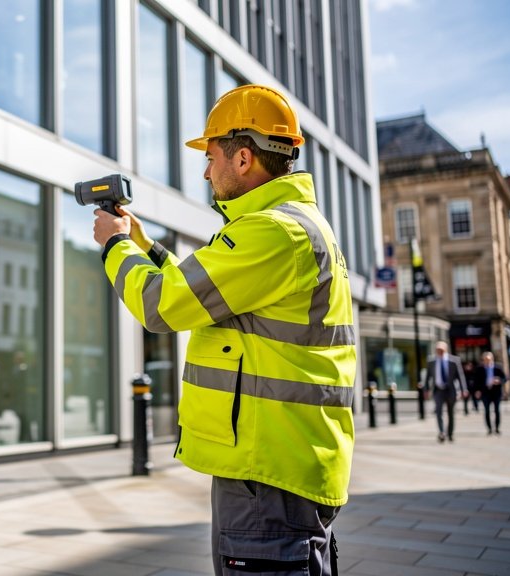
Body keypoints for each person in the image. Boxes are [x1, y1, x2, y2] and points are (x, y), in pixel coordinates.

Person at [92, 84, 354, 575]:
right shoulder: (289, 226)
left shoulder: (273, 231)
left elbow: (161, 304)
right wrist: (145, 248)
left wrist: (115, 247)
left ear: (243, 159)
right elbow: (211, 299)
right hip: (280, 465)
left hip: (269, 474)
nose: (206, 170)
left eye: (211, 156)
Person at [424, 341, 468, 443]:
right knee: (438, 412)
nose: (439, 352)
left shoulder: (454, 361)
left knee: (450, 413)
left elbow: (460, 376)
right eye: (437, 350)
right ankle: (442, 432)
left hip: (450, 390)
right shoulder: (431, 361)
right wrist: (426, 390)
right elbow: (427, 377)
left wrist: (463, 389)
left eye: (441, 350)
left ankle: (450, 433)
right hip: (438, 390)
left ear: (446, 349)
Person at [474, 351, 506, 435]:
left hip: (496, 392)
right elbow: (476, 381)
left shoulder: (498, 368)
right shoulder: (479, 369)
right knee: (487, 410)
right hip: (485, 392)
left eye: (488, 359)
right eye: (485, 360)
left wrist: (499, 380)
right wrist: (477, 390)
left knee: (496, 410)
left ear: (492, 359)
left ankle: (497, 428)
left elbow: (505, 378)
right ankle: (489, 429)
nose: (487, 361)